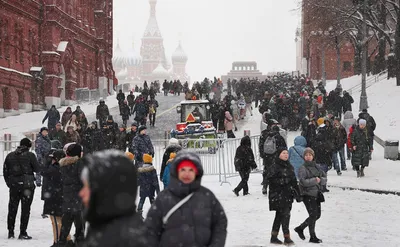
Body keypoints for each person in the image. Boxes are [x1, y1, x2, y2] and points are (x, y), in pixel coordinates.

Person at [145, 151, 228, 246]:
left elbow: (220, 223)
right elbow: (150, 229)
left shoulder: (207, 196)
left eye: (191, 170)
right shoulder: (163, 198)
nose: (187, 174)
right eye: (183, 170)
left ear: (197, 172)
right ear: (177, 172)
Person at [79, 151, 148, 247]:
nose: (81, 193)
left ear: (106, 190)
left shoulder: (124, 239)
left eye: (88, 187)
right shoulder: (103, 225)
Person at [3, 138, 39, 240]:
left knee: (12, 208)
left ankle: (10, 232)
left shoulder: (10, 155)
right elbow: (37, 169)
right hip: (27, 186)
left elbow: (5, 171)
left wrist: (10, 183)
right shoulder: (30, 155)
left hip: (14, 185)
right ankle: (23, 232)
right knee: (25, 209)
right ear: (28, 145)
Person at [267, 148, 299, 245]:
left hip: (288, 195)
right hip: (278, 195)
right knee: (285, 215)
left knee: (280, 216)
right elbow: (270, 180)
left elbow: (293, 181)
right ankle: (287, 237)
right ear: (279, 155)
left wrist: (298, 192)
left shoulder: (289, 166)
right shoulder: (275, 166)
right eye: (283, 153)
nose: (286, 155)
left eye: (287, 153)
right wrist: (283, 181)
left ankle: (274, 236)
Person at [295, 148, 326, 244]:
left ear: (313, 156)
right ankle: (312, 236)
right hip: (307, 194)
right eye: (306, 155)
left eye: (310, 155)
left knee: (317, 215)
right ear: (304, 157)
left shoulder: (317, 166)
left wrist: (320, 181)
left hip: (317, 193)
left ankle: (300, 228)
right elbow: (303, 181)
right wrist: (315, 180)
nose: (308, 157)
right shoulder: (302, 168)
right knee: (313, 215)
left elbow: (324, 177)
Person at [42, 149, 71, 246]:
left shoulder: (54, 168)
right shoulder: (67, 167)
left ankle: (58, 241)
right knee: (62, 222)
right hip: (63, 197)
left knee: (56, 222)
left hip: (54, 198)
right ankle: (67, 240)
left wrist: (48, 162)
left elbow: (43, 171)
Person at [58, 144, 85, 246]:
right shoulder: (79, 163)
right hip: (78, 198)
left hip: (67, 197)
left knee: (65, 224)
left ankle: (61, 243)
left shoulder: (63, 164)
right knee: (80, 226)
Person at [259, 125, 287, 195]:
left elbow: (261, 146)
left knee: (267, 172)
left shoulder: (267, 137)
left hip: (267, 158)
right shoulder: (279, 137)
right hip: (276, 158)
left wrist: (263, 155)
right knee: (277, 173)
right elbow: (284, 148)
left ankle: (265, 186)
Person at [137, 154, 160, 218]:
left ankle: (139, 211)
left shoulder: (141, 171)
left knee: (142, 200)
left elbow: (138, 180)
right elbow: (155, 181)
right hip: (151, 188)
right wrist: (158, 190)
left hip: (143, 188)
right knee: (152, 200)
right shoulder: (152, 170)